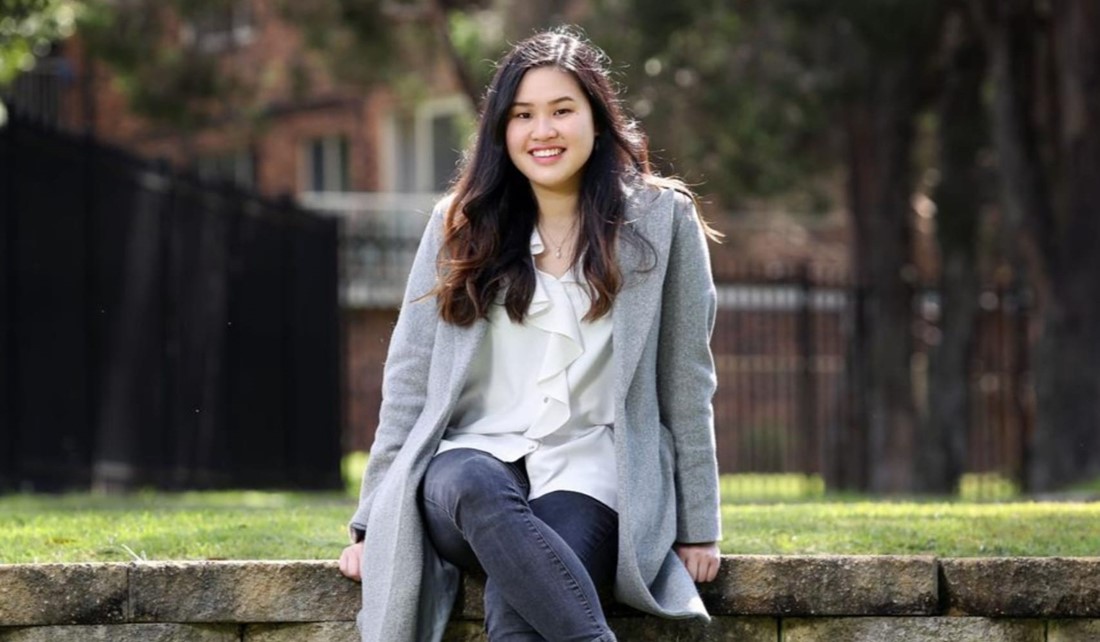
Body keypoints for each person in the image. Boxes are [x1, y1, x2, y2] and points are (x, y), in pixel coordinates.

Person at [338, 26, 722, 642]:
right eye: (523, 115)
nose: (542, 131)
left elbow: (686, 379)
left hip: (590, 471)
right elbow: (410, 376)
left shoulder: (662, 219)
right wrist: (369, 522)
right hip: (466, 474)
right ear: (501, 131)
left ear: (596, 120)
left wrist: (698, 524)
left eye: (562, 111)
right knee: (473, 481)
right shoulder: (458, 224)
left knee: (522, 603)